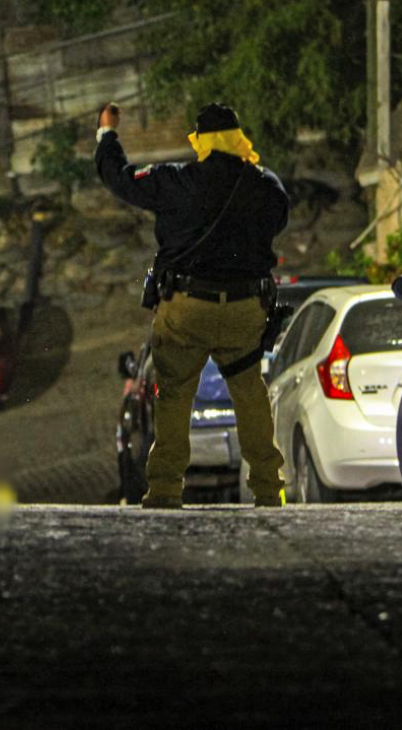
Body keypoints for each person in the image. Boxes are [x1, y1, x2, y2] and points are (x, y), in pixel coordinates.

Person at [95, 101, 290, 508]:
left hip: (187, 307)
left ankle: (165, 489)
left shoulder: (176, 181)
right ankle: (270, 489)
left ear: (200, 140)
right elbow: (278, 219)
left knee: (175, 395)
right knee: (250, 394)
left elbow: (121, 179)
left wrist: (107, 134)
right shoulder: (265, 185)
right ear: (238, 138)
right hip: (243, 309)